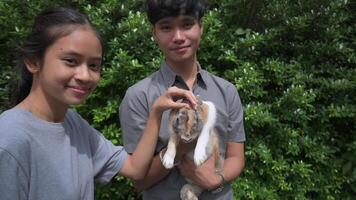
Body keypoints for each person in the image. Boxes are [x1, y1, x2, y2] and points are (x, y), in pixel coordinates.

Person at [0, 7, 197, 200]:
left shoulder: (73, 123)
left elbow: (134, 168)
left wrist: (157, 112)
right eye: (70, 61)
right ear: (33, 62)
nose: (85, 76)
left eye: (94, 65)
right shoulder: (9, 139)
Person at [119, 0, 246, 199]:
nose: (178, 37)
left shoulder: (227, 91)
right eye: (166, 27)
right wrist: (179, 147)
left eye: (187, 24)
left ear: (201, 27)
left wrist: (215, 180)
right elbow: (139, 181)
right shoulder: (139, 96)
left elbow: (236, 158)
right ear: (154, 33)